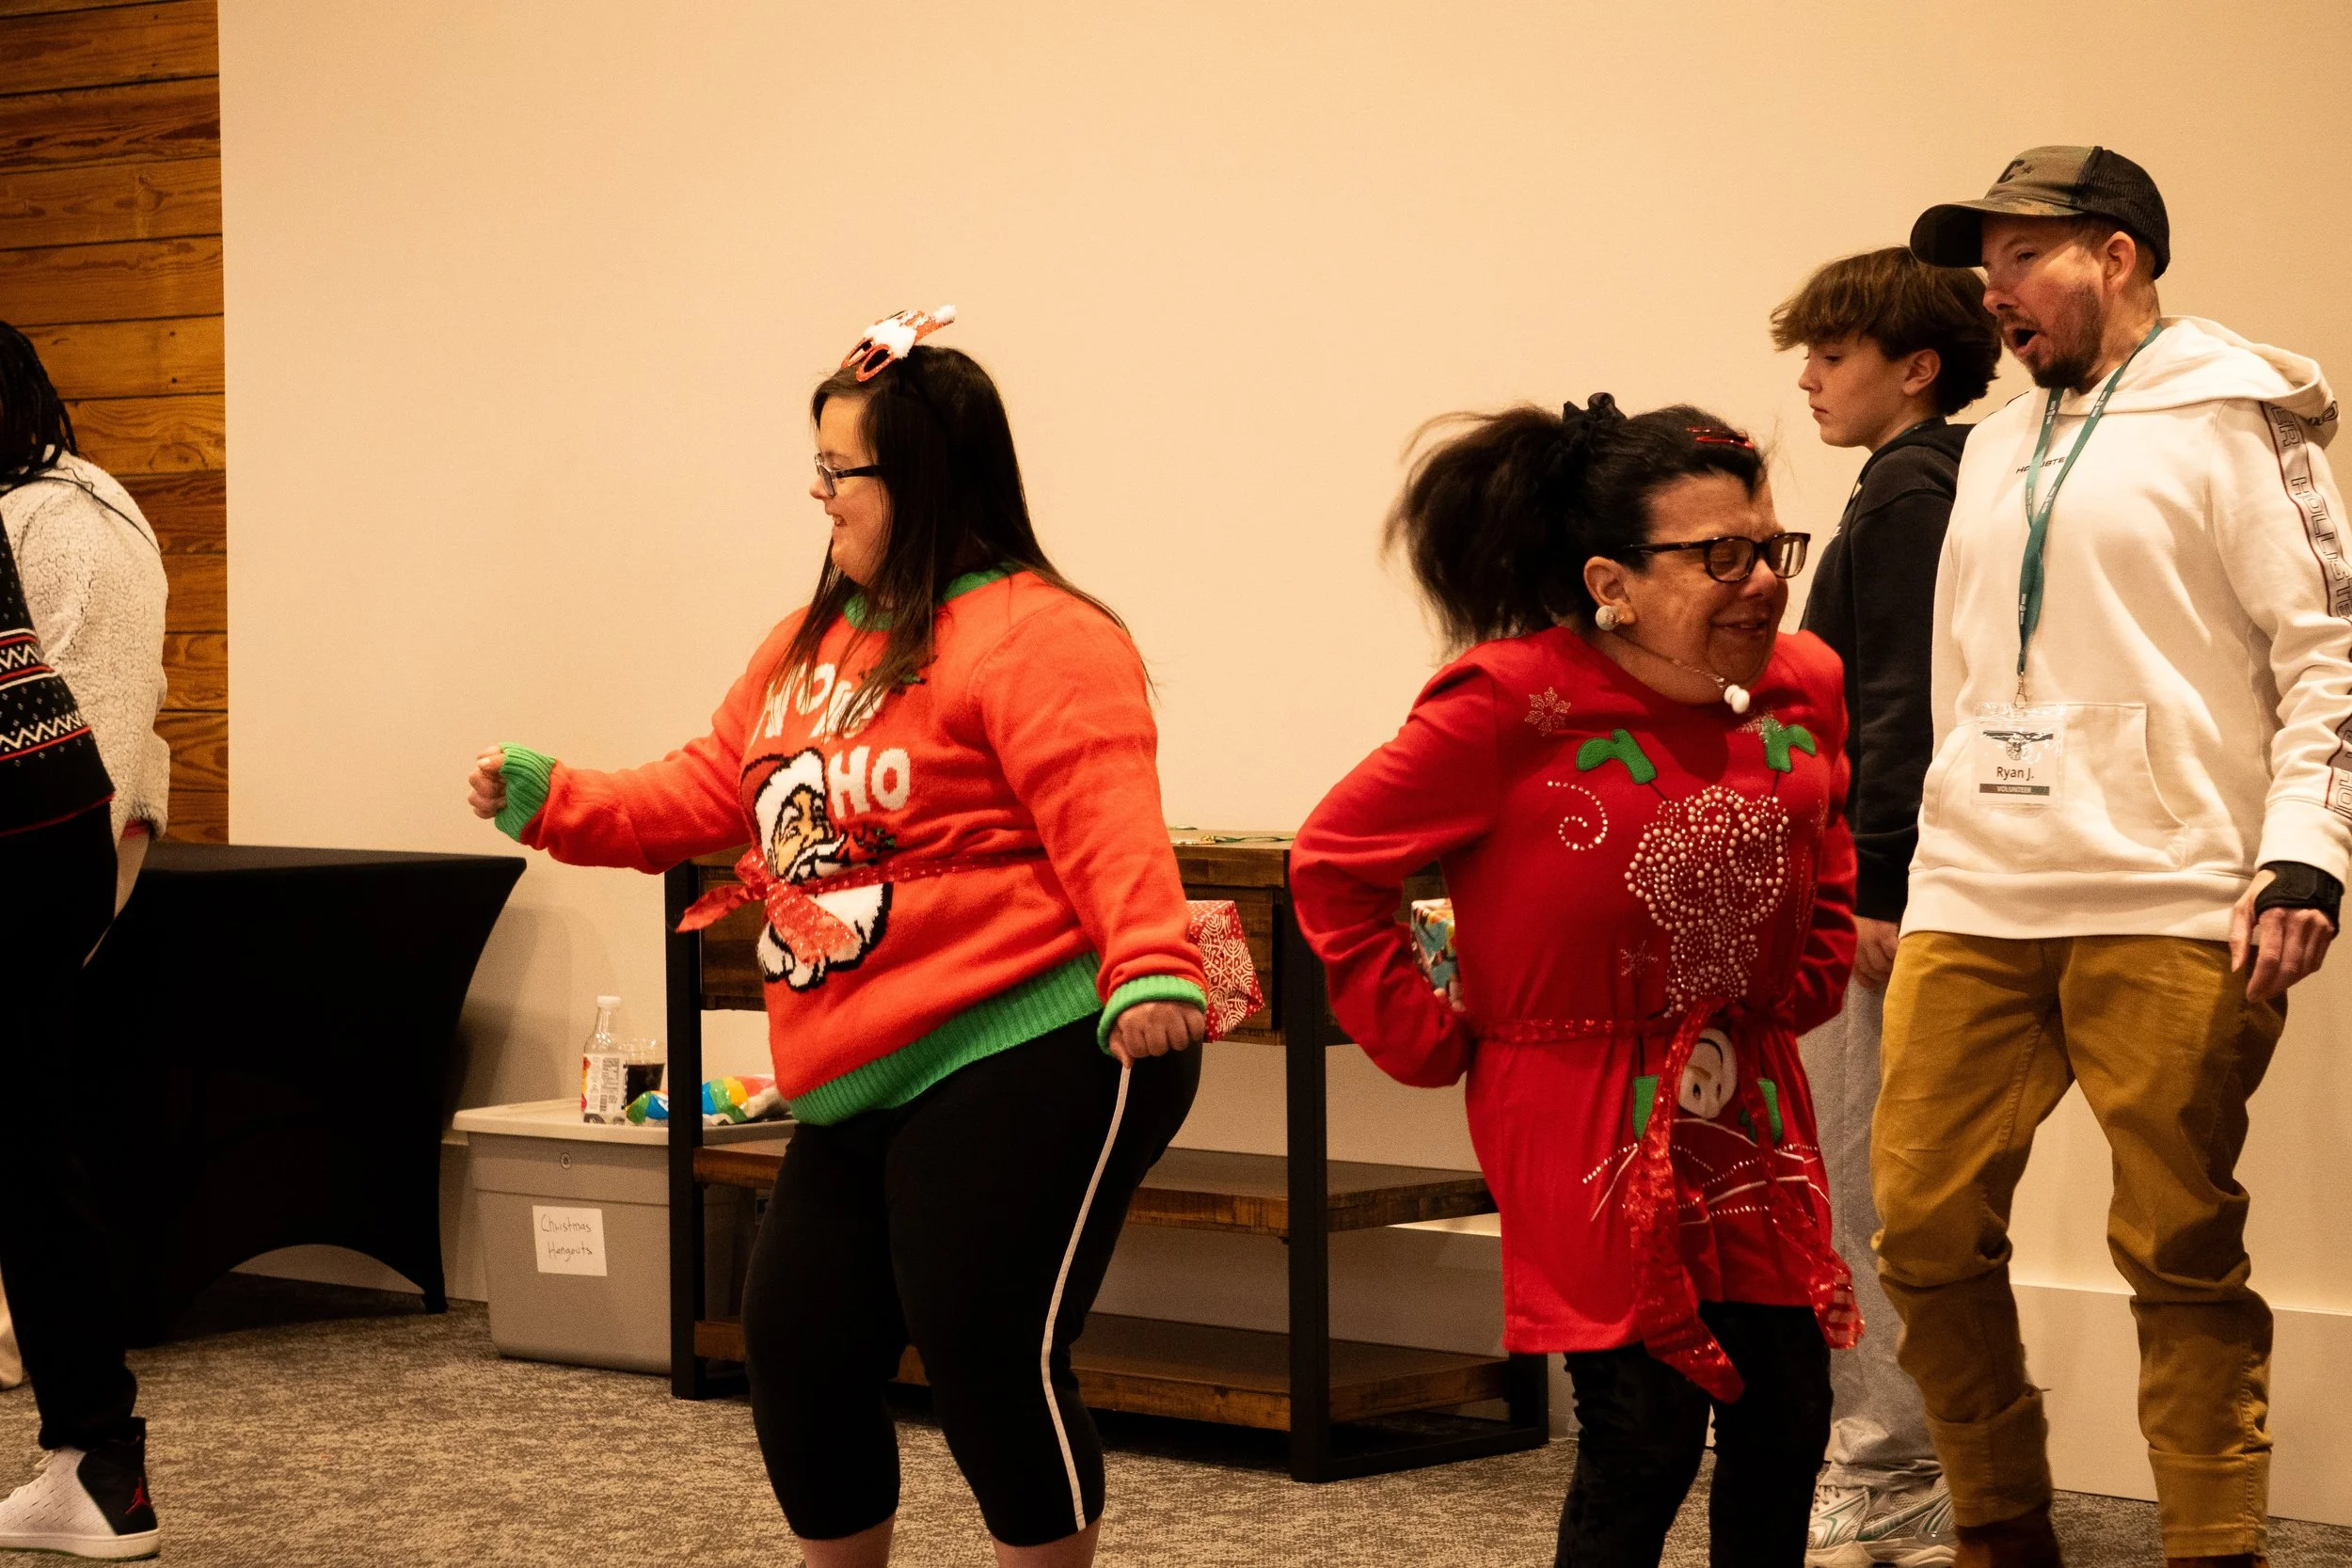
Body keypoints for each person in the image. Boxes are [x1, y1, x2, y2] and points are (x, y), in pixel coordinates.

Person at [466, 310, 1209, 1568]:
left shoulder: (1041, 632)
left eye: (839, 469)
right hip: (865, 1060)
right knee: (799, 1341)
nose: (818, 493)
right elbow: (713, 786)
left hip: (1029, 1032)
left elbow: (1108, 812)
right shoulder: (809, 643)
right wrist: (557, 797)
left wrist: (1149, 960)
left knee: (985, 1345)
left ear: (921, 475)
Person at [1878, 146, 2347, 1568]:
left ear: (2118, 256)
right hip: (1977, 888)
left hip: (2173, 893)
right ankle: (1999, 1515)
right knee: (1918, 1223)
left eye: (2024, 257)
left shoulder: (2233, 414)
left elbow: (2326, 651)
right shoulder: (1994, 441)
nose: (1994, 290)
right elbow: (1965, 669)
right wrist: (1923, 849)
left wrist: (2305, 853)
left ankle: (2212, 1539)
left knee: (2176, 1238)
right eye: (1987, 266)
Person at [1292, 395, 1859, 1568]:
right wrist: (1426, 1035)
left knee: (1788, 1406)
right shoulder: (1508, 703)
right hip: (1577, 1093)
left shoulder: (1804, 679)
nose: (1762, 582)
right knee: (1645, 1427)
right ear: (1612, 582)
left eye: (1771, 547)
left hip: (1747, 1093)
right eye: (1720, 555)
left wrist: (1810, 966)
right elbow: (1335, 862)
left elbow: (1824, 817)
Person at [1767, 249, 2003, 1567]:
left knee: (1858, 1185)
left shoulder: (1912, 486)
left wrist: (1873, 879)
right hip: (1881, 876)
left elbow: (1904, 698)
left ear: (1915, 368)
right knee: (1862, 1180)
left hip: (1875, 892)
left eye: (1832, 354)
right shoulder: (1916, 479)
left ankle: (1890, 1475)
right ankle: (1900, 1466)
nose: (1808, 378)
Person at [0, 326, 166, 1561]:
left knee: (29, 1157)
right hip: (65, 838)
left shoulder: (49, 521)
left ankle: (96, 1456)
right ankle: (98, 1461)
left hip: (37, 837)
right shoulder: (94, 500)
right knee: (30, 1158)